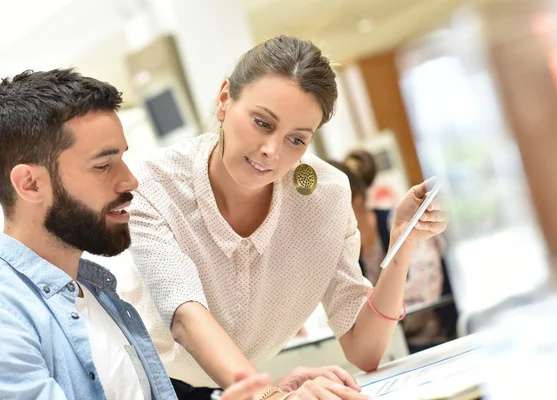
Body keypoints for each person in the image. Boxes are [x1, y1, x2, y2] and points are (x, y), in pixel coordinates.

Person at [0, 69, 365, 400]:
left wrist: (262, 394)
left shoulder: (99, 296)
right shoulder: (9, 313)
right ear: (30, 184)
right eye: (103, 166)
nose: (129, 180)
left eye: (123, 159)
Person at [115, 35, 449, 394]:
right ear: (225, 99)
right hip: (144, 388)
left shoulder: (327, 196)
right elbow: (185, 317)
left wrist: (401, 243)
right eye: (262, 123)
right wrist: (272, 394)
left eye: (297, 139)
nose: (271, 151)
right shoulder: (157, 183)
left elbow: (364, 349)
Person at [335, 154, 448, 352]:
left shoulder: (397, 224)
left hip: (439, 339)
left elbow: (424, 292)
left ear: (358, 199)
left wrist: (373, 317)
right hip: (392, 349)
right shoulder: (348, 252)